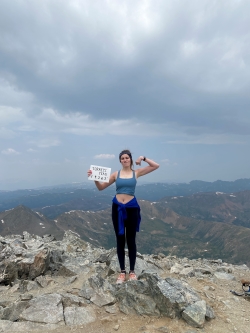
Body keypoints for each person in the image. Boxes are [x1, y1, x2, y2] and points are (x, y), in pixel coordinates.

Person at [87, 149, 159, 284]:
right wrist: (95, 178)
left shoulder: (136, 173)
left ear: (130, 160)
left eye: (127, 158)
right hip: (117, 208)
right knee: (120, 240)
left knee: (131, 240)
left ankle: (132, 271)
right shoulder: (116, 174)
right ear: (120, 161)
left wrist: (143, 158)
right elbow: (101, 187)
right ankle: (122, 272)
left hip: (131, 208)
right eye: (122, 158)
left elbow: (156, 166)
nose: (125, 160)